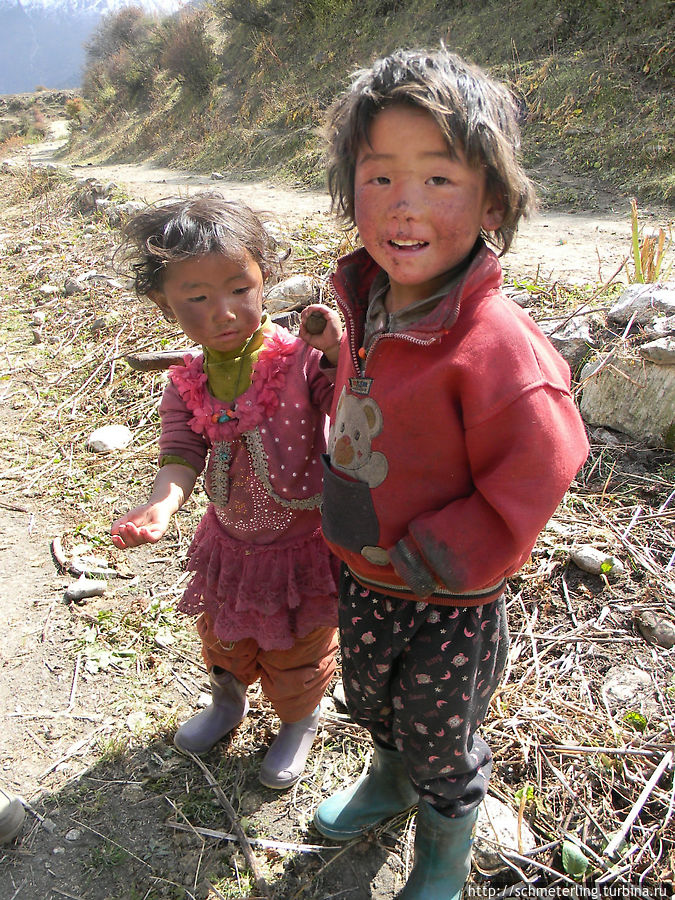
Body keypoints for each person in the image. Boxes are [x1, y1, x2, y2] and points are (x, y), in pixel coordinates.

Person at [300, 48, 590, 898]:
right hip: (363, 568)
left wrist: (456, 547)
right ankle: (386, 782)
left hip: (446, 596)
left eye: (437, 178)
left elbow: (546, 458)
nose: (404, 203)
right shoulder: (368, 297)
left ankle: (443, 850)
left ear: (492, 200)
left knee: (439, 732)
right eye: (379, 176)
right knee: (369, 697)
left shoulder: (496, 344)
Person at [111, 194, 343, 789]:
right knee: (223, 633)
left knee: (298, 644)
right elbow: (181, 449)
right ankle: (227, 703)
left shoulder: (299, 360)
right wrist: (163, 503)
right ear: (164, 303)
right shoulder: (188, 379)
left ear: (265, 277)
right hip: (229, 543)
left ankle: (298, 720)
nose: (224, 312)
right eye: (197, 298)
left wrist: (338, 353)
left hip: (301, 546)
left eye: (240, 288)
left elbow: (351, 400)